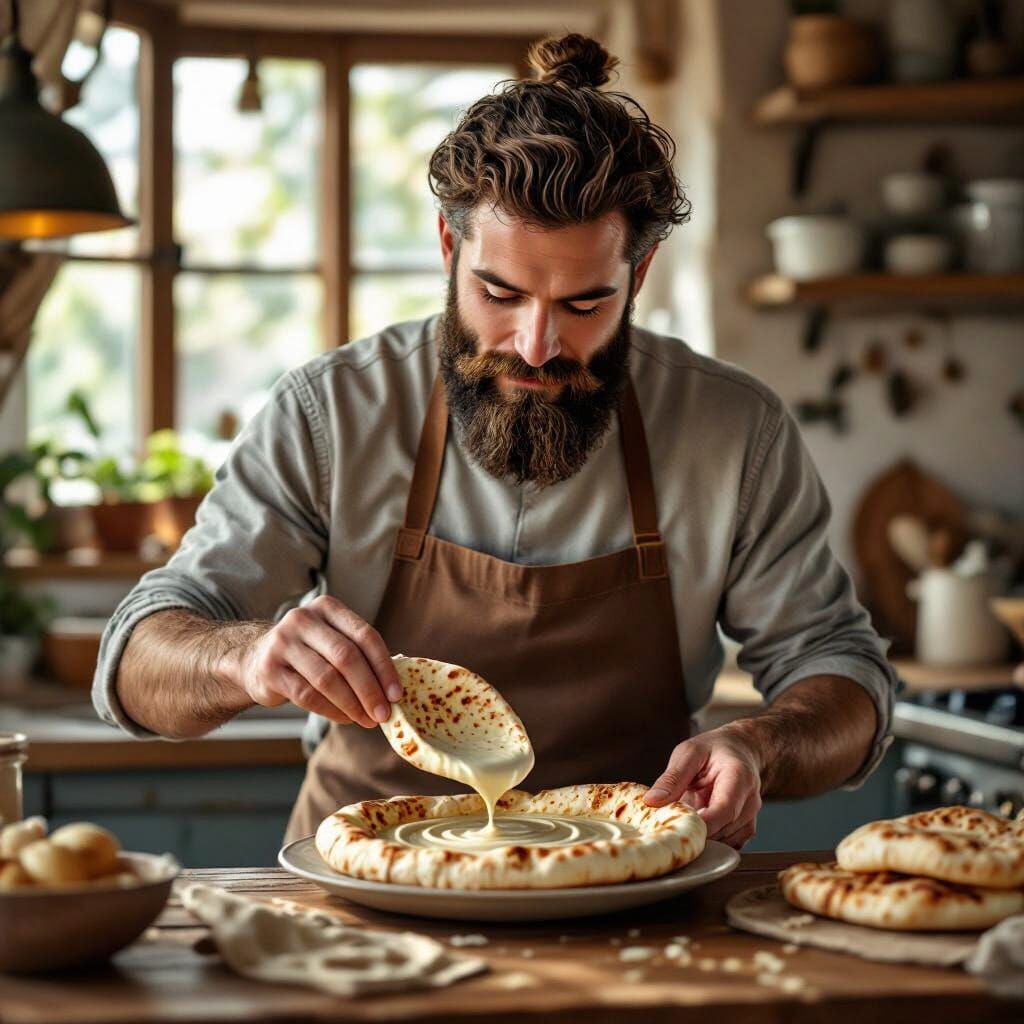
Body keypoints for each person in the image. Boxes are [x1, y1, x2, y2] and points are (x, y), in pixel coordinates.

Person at [93, 33, 897, 850]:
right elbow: (135, 662)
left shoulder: (735, 430)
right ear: (450, 250)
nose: (537, 346)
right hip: (362, 887)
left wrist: (760, 744)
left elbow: (844, 676)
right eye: (499, 294)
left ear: (640, 273)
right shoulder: (330, 412)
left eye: (584, 304)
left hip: (627, 884)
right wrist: (245, 655)